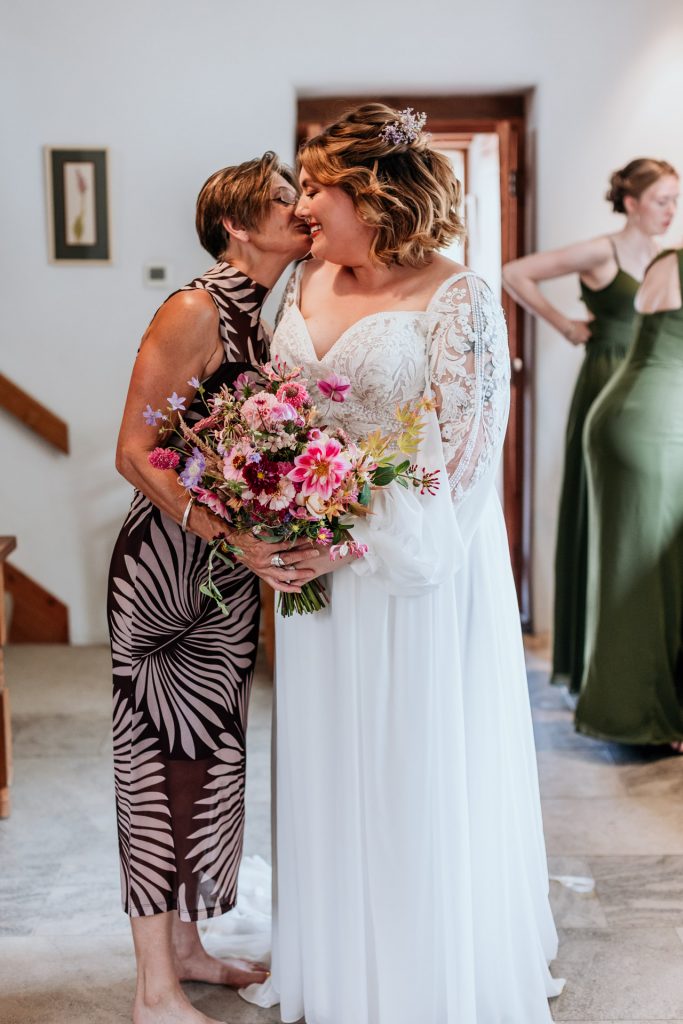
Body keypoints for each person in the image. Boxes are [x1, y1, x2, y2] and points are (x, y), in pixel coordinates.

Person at [243, 103, 563, 1024]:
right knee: (327, 764)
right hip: (312, 572)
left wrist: (350, 536)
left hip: (415, 569)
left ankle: (421, 973)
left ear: (372, 195)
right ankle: (342, 958)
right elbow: (278, 415)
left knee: (405, 765)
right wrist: (272, 515)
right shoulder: (302, 276)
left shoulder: (457, 295)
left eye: (316, 188)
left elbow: (468, 463)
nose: (301, 206)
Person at [107, 152, 312, 1024]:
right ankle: (155, 985)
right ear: (235, 224)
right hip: (165, 569)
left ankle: (190, 949)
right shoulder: (195, 307)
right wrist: (228, 534)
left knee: (210, 757)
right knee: (155, 761)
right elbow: (134, 451)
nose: (301, 209)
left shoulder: (262, 317)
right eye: (282, 199)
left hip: (221, 570)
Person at [502, 159, 678, 696]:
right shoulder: (604, 251)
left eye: (675, 200)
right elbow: (515, 272)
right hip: (609, 378)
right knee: (595, 510)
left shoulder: (668, 258)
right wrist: (564, 325)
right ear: (631, 202)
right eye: (661, 200)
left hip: (660, 388)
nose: (671, 211)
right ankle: (587, 661)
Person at [576, 247, 683, 748]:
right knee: (653, 576)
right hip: (659, 427)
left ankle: (616, 705)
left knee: (624, 569)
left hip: (616, 414)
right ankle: (648, 715)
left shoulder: (668, 259)